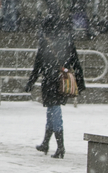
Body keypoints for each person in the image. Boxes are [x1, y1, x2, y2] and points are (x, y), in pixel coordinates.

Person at [24, 19, 85, 159]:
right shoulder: (67, 42)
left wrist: (30, 83)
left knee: (55, 113)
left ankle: (60, 147)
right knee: (52, 112)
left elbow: (37, 67)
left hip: (50, 83)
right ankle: (46, 143)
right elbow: (76, 63)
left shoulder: (45, 44)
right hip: (62, 83)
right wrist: (80, 83)